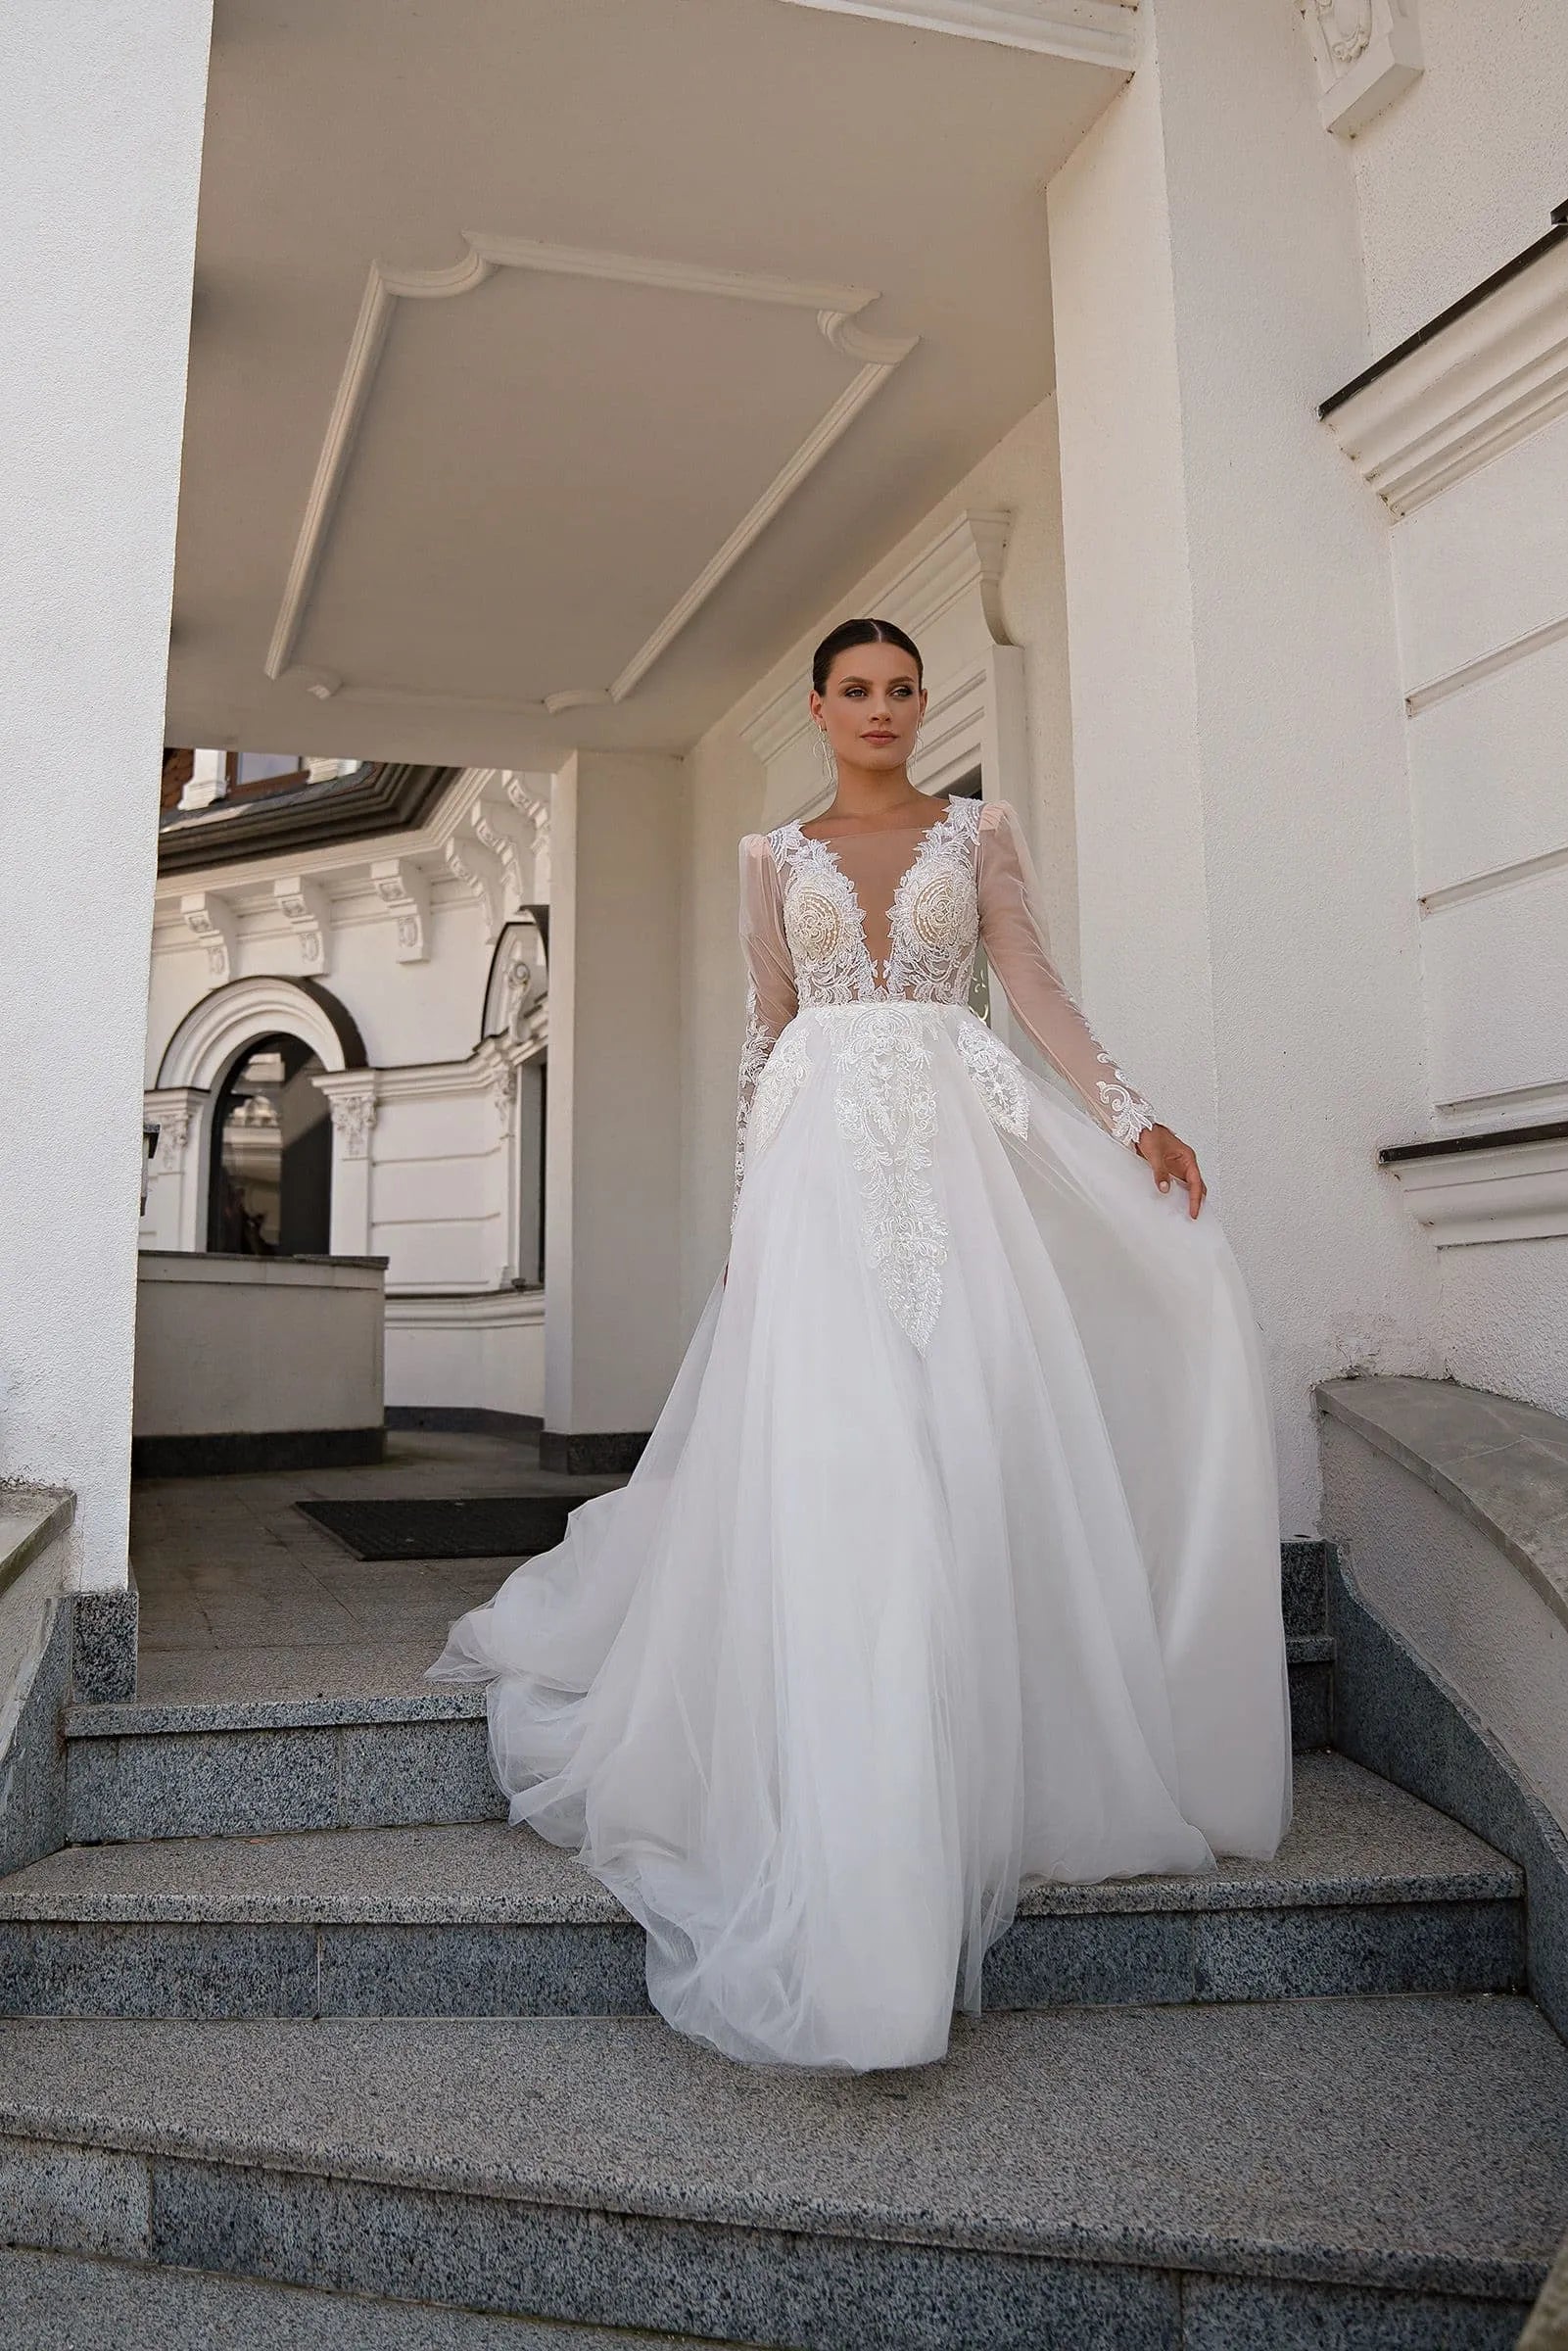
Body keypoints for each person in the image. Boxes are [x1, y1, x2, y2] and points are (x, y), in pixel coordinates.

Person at [427, 615, 1292, 2072]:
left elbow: (1032, 993)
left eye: (902, 691)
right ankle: (852, 1803)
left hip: (957, 1163)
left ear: (916, 704)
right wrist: (748, 1212)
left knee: (961, 1436)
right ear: (819, 707)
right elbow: (768, 1033)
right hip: (820, 1178)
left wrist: (1131, 1117)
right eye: (856, 692)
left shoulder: (978, 835)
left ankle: (961, 1773)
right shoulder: (770, 856)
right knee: (845, 1468)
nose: (881, 710)